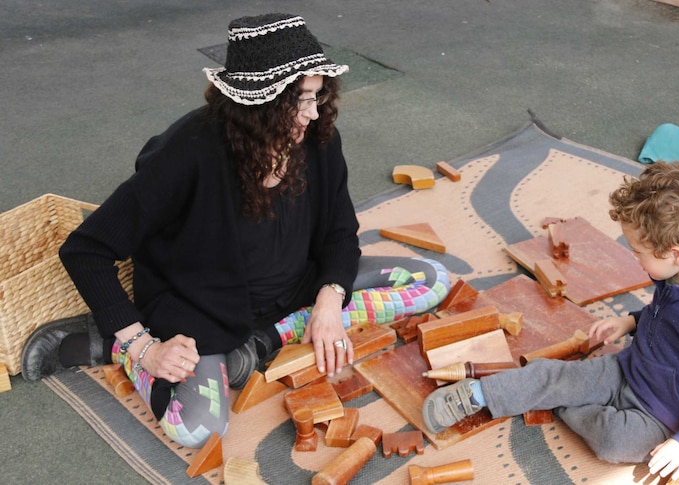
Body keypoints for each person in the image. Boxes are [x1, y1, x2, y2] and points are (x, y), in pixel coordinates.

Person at [21, 13, 450, 449]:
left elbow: (340, 230)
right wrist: (142, 347)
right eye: (300, 101)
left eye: (318, 96)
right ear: (260, 105)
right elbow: (85, 249)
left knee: (431, 280)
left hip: (294, 293)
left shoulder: (319, 138)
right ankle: (110, 345)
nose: (313, 114)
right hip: (204, 311)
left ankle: (263, 342)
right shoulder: (187, 153)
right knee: (200, 429)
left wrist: (328, 300)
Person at [422, 161, 679, 480]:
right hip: (628, 369)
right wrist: (631, 322)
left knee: (613, 442)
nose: (633, 258)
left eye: (638, 252)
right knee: (555, 375)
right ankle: (477, 394)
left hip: (664, 415)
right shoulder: (675, 274)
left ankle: (560, 402)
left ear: (676, 254)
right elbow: (668, 320)